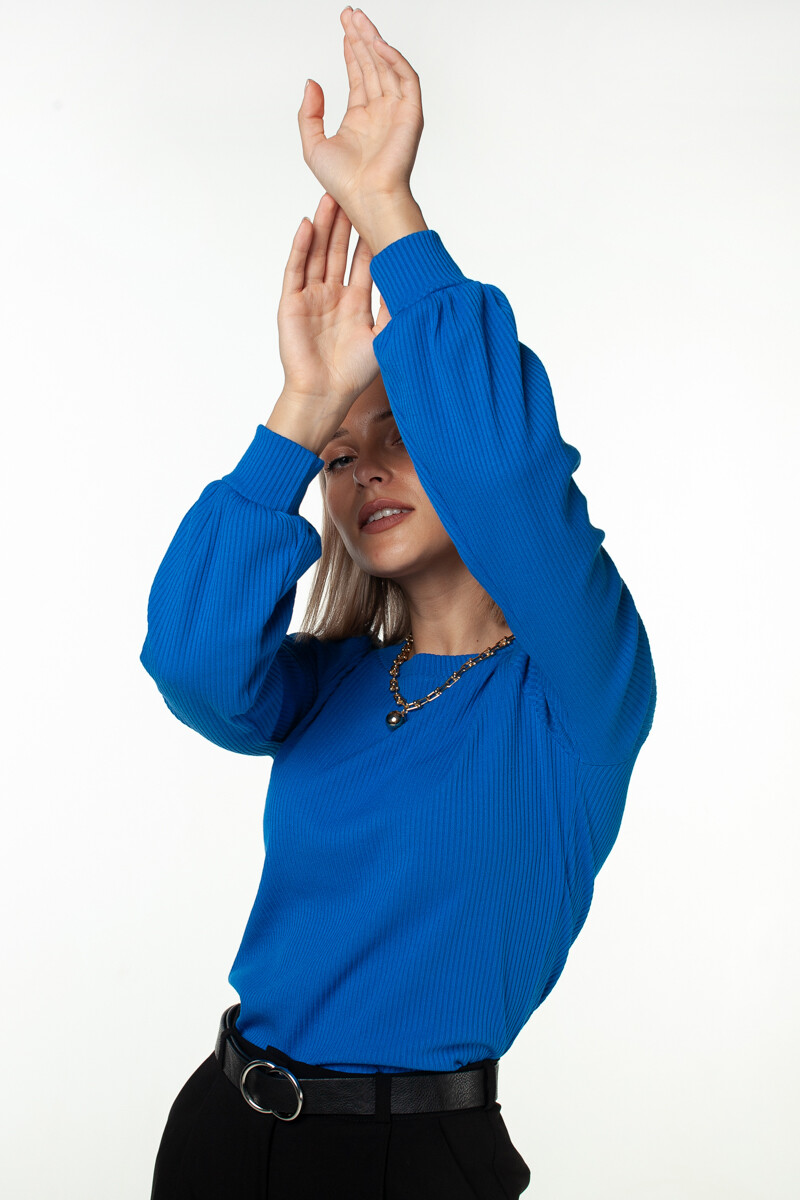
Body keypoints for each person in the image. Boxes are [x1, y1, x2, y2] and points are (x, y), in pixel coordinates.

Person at [139, 7, 657, 1198]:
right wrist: (298, 413)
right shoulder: (324, 683)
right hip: (221, 1132)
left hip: (405, 1163)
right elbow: (189, 661)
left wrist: (387, 213)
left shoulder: (576, 690)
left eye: (398, 438)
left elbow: (505, 476)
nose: (362, 469)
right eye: (342, 456)